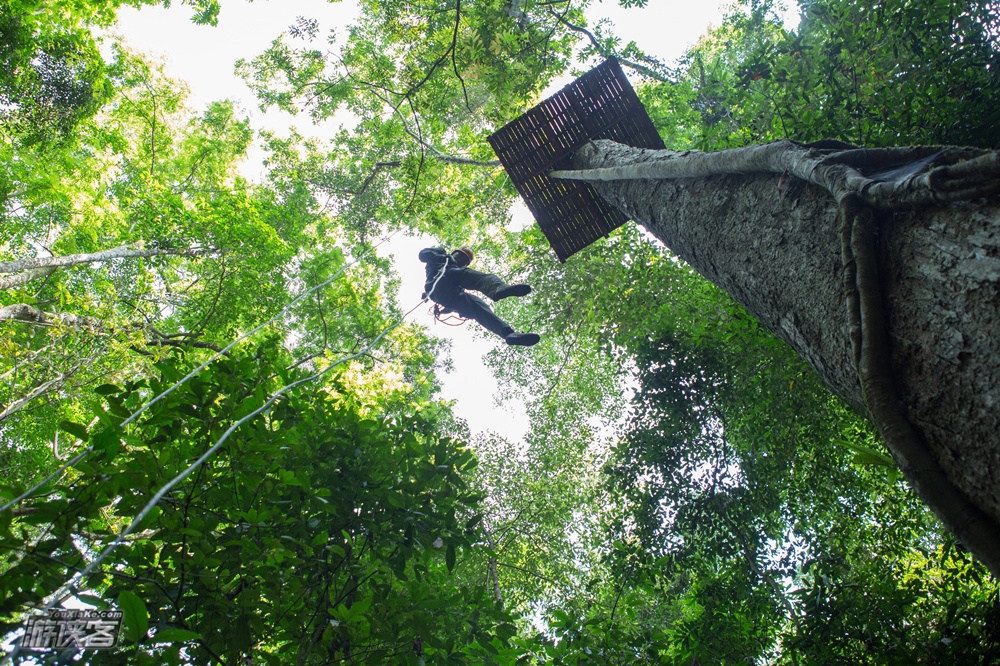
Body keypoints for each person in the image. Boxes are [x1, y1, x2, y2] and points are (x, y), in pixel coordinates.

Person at [419, 246, 540, 346]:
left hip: (449, 295)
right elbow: (422, 255)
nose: (461, 260)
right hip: (440, 281)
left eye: (464, 261)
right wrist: (441, 254)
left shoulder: (460, 272)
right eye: (460, 255)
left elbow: (452, 303)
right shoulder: (441, 260)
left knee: (477, 305)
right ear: (454, 253)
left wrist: (442, 311)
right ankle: (497, 288)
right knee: (468, 275)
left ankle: (508, 333)